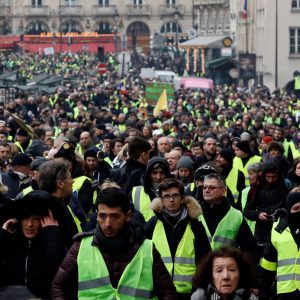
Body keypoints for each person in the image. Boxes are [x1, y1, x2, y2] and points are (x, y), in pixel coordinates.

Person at [51, 187, 177, 299]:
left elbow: (168, 292)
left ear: (127, 216)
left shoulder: (147, 249)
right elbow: (58, 288)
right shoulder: (81, 246)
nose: (108, 224)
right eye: (102, 216)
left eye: (114, 216)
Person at [145, 178, 211, 299]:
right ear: (161, 199)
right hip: (159, 291)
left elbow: (205, 259)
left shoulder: (195, 225)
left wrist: (201, 287)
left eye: (175, 195)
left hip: (188, 293)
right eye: (166, 196)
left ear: (182, 198)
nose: (171, 200)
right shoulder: (152, 224)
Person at [0, 190, 67, 299]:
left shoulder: (54, 242)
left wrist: (52, 237)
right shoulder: (11, 241)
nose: (30, 224)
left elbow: (62, 275)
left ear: (46, 220)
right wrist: (3, 235)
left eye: (36, 219)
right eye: (26, 218)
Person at [199, 173, 259, 262]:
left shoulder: (236, 216)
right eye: (204, 187)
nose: (207, 190)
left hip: (225, 271)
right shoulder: (195, 214)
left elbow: (250, 249)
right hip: (200, 271)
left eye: (212, 187)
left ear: (223, 191)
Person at [259, 191, 300, 300]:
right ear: (289, 211)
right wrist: (264, 294)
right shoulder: (278, 232)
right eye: (296, 208)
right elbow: (268, 266)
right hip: (287, 292)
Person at [191, 247, 258, 300]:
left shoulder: (250, 298)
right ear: (211, 276)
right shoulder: (201, 297)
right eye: (219, 271)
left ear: (241, 274)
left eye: (231, 270)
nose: (225, 276)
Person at [131, 156, 172, 221]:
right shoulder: (136, 191)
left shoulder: (175, 192)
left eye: (162, 173)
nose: (158, 177)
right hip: (142, 230)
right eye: (155, 173)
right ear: (148, 174)